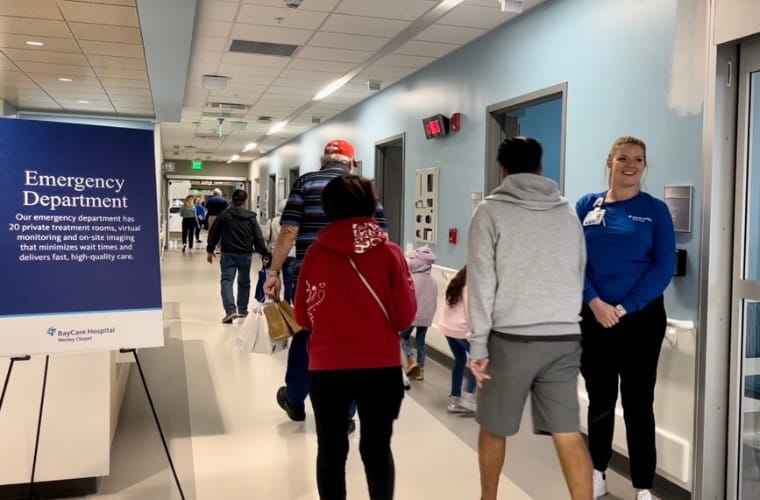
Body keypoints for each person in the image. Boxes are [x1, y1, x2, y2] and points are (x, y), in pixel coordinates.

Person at [467, 136, 592, 500]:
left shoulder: (490, 210)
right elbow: (578, 268)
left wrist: (478, 343)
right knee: (567, 431)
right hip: (565, 338)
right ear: (540, 166)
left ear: (502, 169)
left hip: (511, 339)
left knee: (494, 427)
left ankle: (488, 498)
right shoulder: (567, 210)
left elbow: (481, 280)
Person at [294, 175, 416, 500]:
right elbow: (405, 317)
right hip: (380, 367)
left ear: (327, 208)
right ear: (370, 206)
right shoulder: (390, 253)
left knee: (331, 451)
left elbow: (303, 317)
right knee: (377, 450)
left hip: (327, 368)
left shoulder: (316, 255)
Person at [575, 136, 675, 500]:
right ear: (610, 162)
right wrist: (594, 302)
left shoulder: (655, 210)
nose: (630, 165)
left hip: (641, 321)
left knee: (637, 403)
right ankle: (598, 470)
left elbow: (664, 266)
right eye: (623, 158)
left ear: (644, 166)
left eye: (638, 159)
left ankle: (643, 486)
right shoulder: (587, 205)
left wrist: (626, 306)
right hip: (595, 318)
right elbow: (574, 259)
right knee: (600, 399)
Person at [264, 139, 387, 424]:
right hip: (357, 280)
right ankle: (346, 415)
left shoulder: (305, 184)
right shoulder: (365, 189)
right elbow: (381, 237)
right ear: (351, 162)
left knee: (307, 335)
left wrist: (274, 272)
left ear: (323, 161)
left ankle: (294, 399)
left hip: (312, 277)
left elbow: (288, 231)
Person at [206, 189, 270, 324]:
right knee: (244, 282)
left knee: (227, 281)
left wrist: (210, 249)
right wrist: (264, 253)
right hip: (245, 254)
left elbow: (214, 232)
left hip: (228, 253)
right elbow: (258, 237)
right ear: (245, 200)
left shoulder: (224, 215)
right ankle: (242, 309)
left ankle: (230, 310)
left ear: (232, 200)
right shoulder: (251, 217)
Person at [436, 266, 477, 413]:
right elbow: (472, 311)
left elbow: (445, 296)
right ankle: (467, 399)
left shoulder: (455, 278)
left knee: (460, 361)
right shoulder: (472, 285)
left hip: (447, 328)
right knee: (478, 361)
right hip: (462, 331)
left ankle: (454, 399)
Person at [400, 246, 437, 381]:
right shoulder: (433, 282)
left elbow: (406, 298)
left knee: (403, 337)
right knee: (421, 341)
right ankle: (420, 370)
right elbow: (434, 301)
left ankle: (411, 359)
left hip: (413, 315)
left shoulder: (411, 279)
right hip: (427, 317)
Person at [269, 199, 297, 303]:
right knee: (288, 280)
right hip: (291, 253)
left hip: (275, 252)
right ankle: (287, 301)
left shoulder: (272, 221)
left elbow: (267, 236)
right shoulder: (295, 222)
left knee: (274, 277)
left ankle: (275, 299)